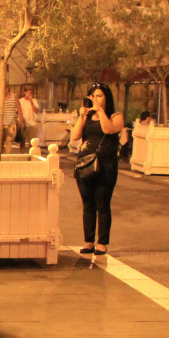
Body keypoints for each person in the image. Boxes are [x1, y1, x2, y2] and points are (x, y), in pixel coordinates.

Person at [69, 83, 124, 255]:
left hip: (105, 166)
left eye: (99, 96)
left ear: (107, 97)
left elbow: (109, 130)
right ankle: (88, 242)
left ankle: (102, 243)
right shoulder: (87, 115)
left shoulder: (115, 116)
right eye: (93, 96)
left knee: (103, 204)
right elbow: (75, 136)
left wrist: (100, 111)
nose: (95, 99)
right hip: (85, 165)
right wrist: (82, 116)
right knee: (88, 205)